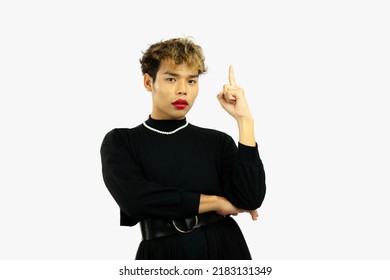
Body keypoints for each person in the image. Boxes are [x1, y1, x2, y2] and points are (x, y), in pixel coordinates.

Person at [100, 37, 266, 260]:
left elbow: (251, 198)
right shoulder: (121, 141)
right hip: (161, 253)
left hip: (224, 247)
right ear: (149, 82)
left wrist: (245, 120)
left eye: (191, 81)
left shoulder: (217, 142)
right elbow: (136, 201)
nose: (182, 90)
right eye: (171, 79)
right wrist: (217, 202)